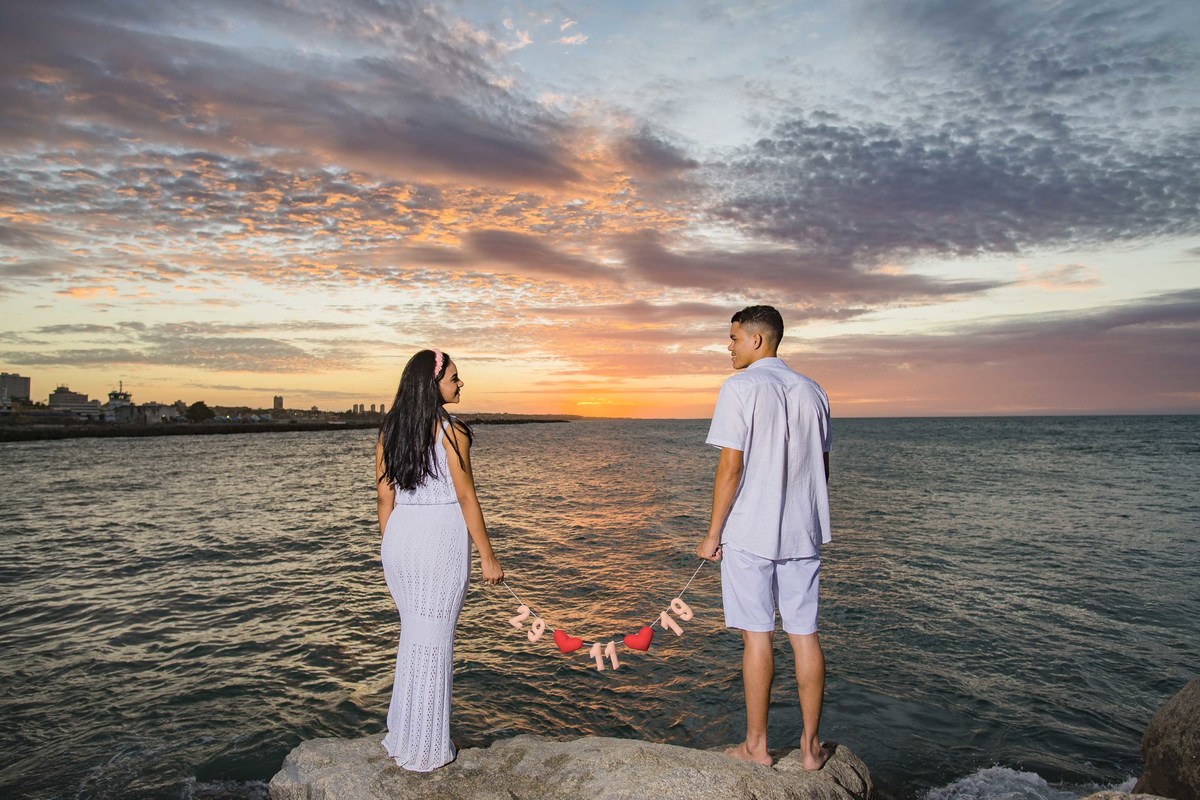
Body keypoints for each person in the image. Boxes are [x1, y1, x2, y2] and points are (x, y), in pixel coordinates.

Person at [695, 305, 832, 771]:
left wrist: (712, 533)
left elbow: (730, 467)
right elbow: (821, 469)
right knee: (805, 634)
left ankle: (757, 746)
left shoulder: (740, 387)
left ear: (756, 340)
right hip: (803, 532)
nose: (727, 347)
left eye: (732, 338)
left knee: (758, 636)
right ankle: (811, 749)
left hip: (751, 531)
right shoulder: (814, 391)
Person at [375, 348, 504, 771]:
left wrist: (390, 548)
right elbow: (466, 496)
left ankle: (402, 733)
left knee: (413, 636)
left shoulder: (390, 429)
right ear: (433, 386)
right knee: (433, 641)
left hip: (399, 541)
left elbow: (384, 497)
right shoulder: (452, 432)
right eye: (454, 377)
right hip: (437, 543)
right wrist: (488, 556)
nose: (460, 383)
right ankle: (426, 748)